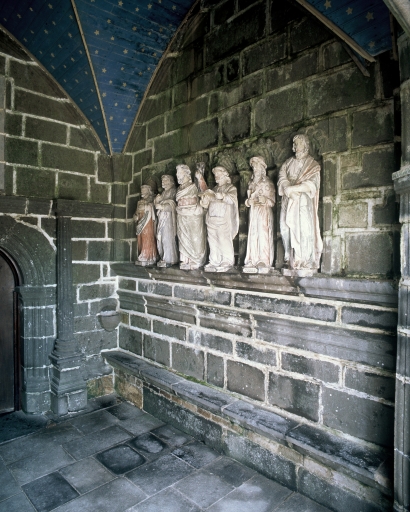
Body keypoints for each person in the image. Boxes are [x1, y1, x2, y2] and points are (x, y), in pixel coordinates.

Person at [278, 134, 322, 271]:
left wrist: (294, 189)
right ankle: (290, 257)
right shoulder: (287, 163)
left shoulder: (312, 165)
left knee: (304, 229)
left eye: (299, 143)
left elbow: (313, 184)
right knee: (285, 228)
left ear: (306, 145)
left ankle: (304, 259)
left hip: (302, 200)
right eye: (295, 144)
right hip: (287, 199)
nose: (296, 147)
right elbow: (281, 178)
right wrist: (287, 188)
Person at [200, 166, 239, 272]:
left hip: (223, 219)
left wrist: (223, 196)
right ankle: (214, 260)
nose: (216, 176)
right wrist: (205, 200)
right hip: (212, 218)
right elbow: (207, 205)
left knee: (223, 238)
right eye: (215, 174)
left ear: (224, 175)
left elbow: (232, 199)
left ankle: (227, 260)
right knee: (212, 239)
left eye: (218, 174)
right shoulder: (214, 189)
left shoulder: (230, 188)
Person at [243, 156, 276, 273]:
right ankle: (252, 259)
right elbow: (247, 201)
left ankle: (263, 259)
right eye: (253, 167)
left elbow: (272, 201)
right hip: (254, 211)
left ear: (262, 168)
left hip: (264, 211)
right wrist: (248, 202)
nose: (254, 169)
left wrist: (265, 200)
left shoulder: (267, 183)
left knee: (263, 234)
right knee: (253, 234)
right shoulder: (251, 184)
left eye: (256, 166)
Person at [175, 164, 207, 270]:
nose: (177, 175)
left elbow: (205, 192)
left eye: (179, 172)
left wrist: (200, 178)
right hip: (181, 214)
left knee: (195, 237)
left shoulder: (194, 185)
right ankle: (185, 259)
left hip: (194, 215)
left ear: (186, 173)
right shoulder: (179, 188)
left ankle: (196, 259)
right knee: (183, 236)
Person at [154, 175, 178, 267]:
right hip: (161, 218)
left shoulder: (173, 191)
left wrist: (162, 206)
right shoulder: (163, 193)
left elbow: (173, 205)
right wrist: (156, 201)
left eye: (165, 180)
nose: (163, 182)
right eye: (162, 180)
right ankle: (164, 256)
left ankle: (169, 258)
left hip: (169, 219)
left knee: (167, 238)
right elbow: (157, 206)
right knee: (160, 238)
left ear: (171, 181)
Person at [134, 184, 159, 266]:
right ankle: (142, 253)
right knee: (140, 238)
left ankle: (148, 255)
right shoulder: (139, 202)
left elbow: (154, 209)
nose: (142, 192)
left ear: (148, 191)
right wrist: (136, 216)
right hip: (140, 220)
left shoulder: (151, 200)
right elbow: (137, 212)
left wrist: (145, 206)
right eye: (142, 190)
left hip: (148, 221)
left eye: (144, 190)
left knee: (147, 236)